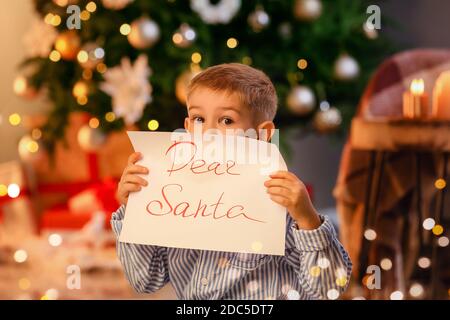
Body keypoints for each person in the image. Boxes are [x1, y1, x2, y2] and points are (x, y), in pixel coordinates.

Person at [112, 63, 351, 299]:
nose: (209, 133)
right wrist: (133, 211)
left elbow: (328, 287)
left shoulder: (279, 200)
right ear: (186, 127)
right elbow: (145, 280)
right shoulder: (172, 197)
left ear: (262, 134)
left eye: (226, 121)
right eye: (198, 119)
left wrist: (308, 219)